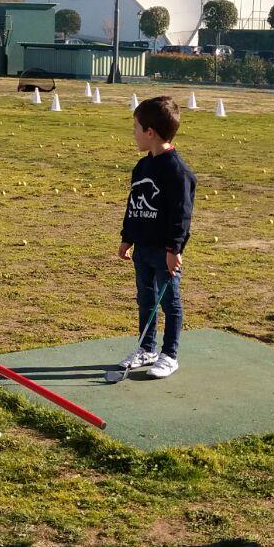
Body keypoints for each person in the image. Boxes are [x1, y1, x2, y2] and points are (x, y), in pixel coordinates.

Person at [117, 95, 196, 379]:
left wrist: (174, 249)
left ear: (150, 133)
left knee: (169, 302)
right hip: (143, 248)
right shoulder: (141, 167)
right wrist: (127, 237)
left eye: (136, 127)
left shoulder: (178, 173)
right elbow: (133, 205)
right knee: (145, 299)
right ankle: (146, 348)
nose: (133, 133)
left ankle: (169, 354)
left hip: (164, 251)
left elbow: (181, 217)